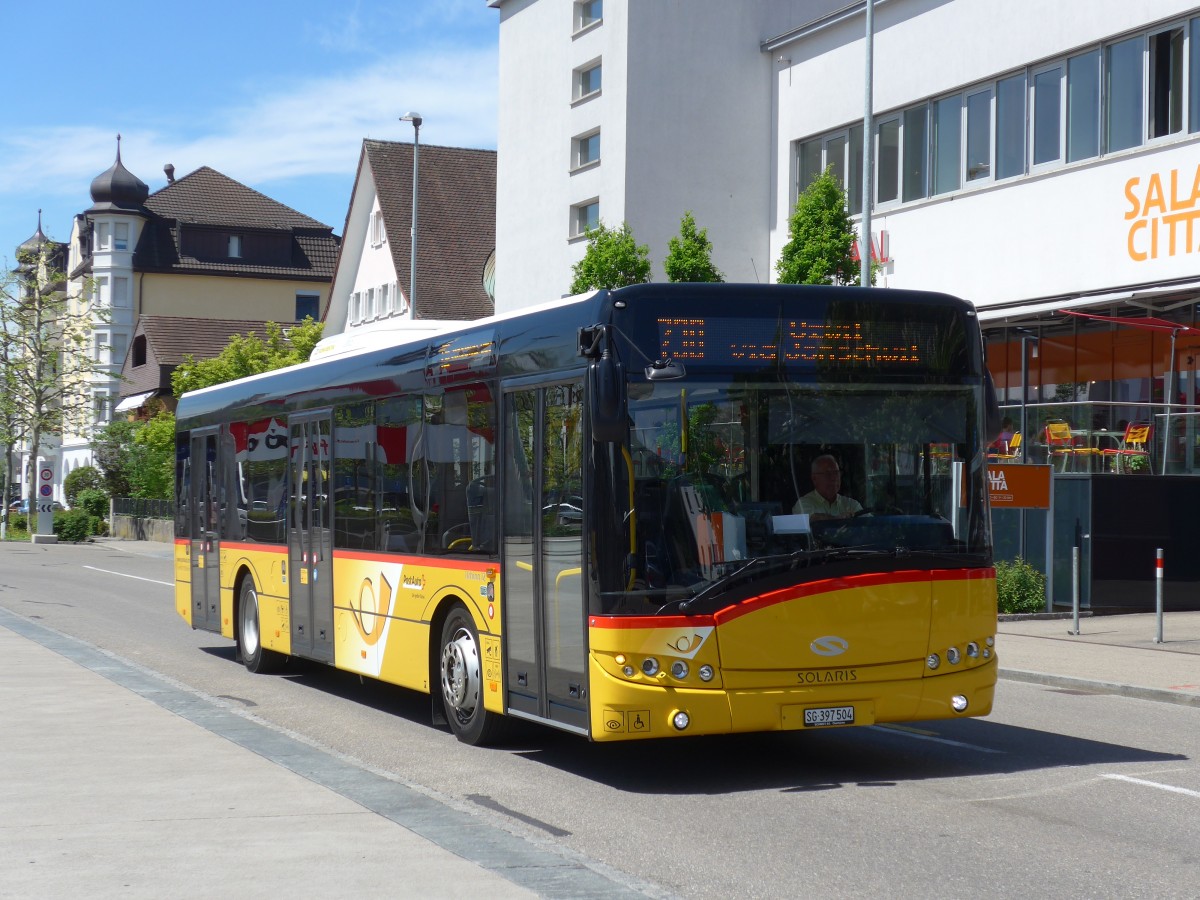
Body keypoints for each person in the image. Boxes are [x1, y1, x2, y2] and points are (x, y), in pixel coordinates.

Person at [794, 454, 862, 519]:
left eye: (836, 473)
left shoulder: (851, 504)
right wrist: (838, 519)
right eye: (828, 474)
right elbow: (810, 519)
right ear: (814, 478)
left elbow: (868, 523)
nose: (833, 478)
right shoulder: (803, 504)